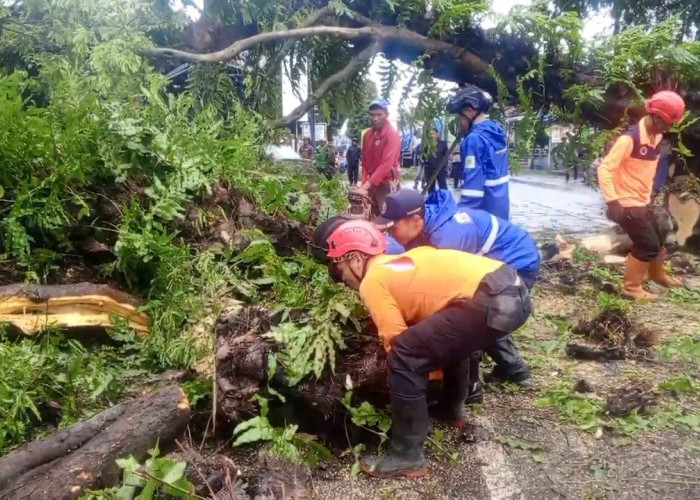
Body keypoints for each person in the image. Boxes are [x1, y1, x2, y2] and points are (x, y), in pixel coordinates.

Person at [325, 219, 531, 479]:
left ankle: (406, 455)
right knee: (449, 338)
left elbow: (394, 338)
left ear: (355, 258)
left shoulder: (373, 280)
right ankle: (450, 410)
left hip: (492, 300)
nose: (345, 281)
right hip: (514, 291)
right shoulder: (410, 259)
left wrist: (426, 379)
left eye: (341, 270)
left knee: (402, 356)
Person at [377, 188, 538, 393]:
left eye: (393, 229)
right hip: (498, 262)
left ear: (416, 221)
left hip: (517, 261)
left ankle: (476, 386)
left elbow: (458, 292)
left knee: (475, 316)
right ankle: (510, 367)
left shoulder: (449, 238)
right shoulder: (429, 223)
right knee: (484, 313)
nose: (392, 235)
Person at [598, 90, 686, 300]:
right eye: (664, 122)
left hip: (643, 200)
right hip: (626, 203)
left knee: (660, 235)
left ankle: (657, 275)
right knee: (647, 245)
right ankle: (631, 287)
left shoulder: (656, 136)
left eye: (670, 124)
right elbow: (605, 169)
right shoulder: (629, 140)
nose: (667, 128)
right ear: (653, 115)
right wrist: (613, 202)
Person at [447, 86, 511, 220]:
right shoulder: (495, 130)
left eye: (460, 116)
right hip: (500, 208)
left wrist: (461, 216)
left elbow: (473, 185)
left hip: (484, 213)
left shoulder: (474, 139)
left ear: (470, 112)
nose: (459, 121)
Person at [357, 99, 402, 216]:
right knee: (370, 216)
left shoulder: (392, 135)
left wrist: (366, 185)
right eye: (372, 115)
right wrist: (363, 184)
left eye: (379, 114)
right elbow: (365, 163)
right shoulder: (367, 135)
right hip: (371, 183)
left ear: (386, 115)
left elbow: (386, 164)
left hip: (386, 183)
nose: (375, 118)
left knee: (387, 217)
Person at [422, 127, 449, 192]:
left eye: (434, 134)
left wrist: (444, 165)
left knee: (443, 187)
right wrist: (425, 164)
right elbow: (423, 157)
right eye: (431, 134)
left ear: (437, 134)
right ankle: (431, 200)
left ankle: (443, 200)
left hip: (440, 169)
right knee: (430, 188)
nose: (432, 135)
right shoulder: (427, 145)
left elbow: (446, 156)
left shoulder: (443, 144)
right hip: (429, 169)